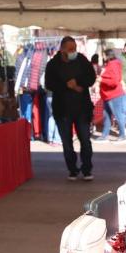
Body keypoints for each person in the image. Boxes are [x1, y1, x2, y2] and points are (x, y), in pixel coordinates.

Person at [45, 36, 97, 181]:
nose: (73, 51)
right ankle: (72, 169)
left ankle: (87, 169)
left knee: (85, 140)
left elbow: (91, 77)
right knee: (67, 143)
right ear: (62, 50)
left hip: (82, 109)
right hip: (62, 110)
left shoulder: (82, 60)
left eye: (74, 48)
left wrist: (78, 82)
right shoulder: (53, 64)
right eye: (70, 49)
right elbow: (49, 84)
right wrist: (66, 85)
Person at [97, 48, 126, 142]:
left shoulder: (113, 65)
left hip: (113, 95)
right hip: (108, 95)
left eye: (103, 55)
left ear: (107, 55)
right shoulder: (112, 64)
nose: (102, 57)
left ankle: (122, 135)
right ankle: (104, 135)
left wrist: (102, 80)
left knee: (118, 115)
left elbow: (114, 81)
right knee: (106, 116)